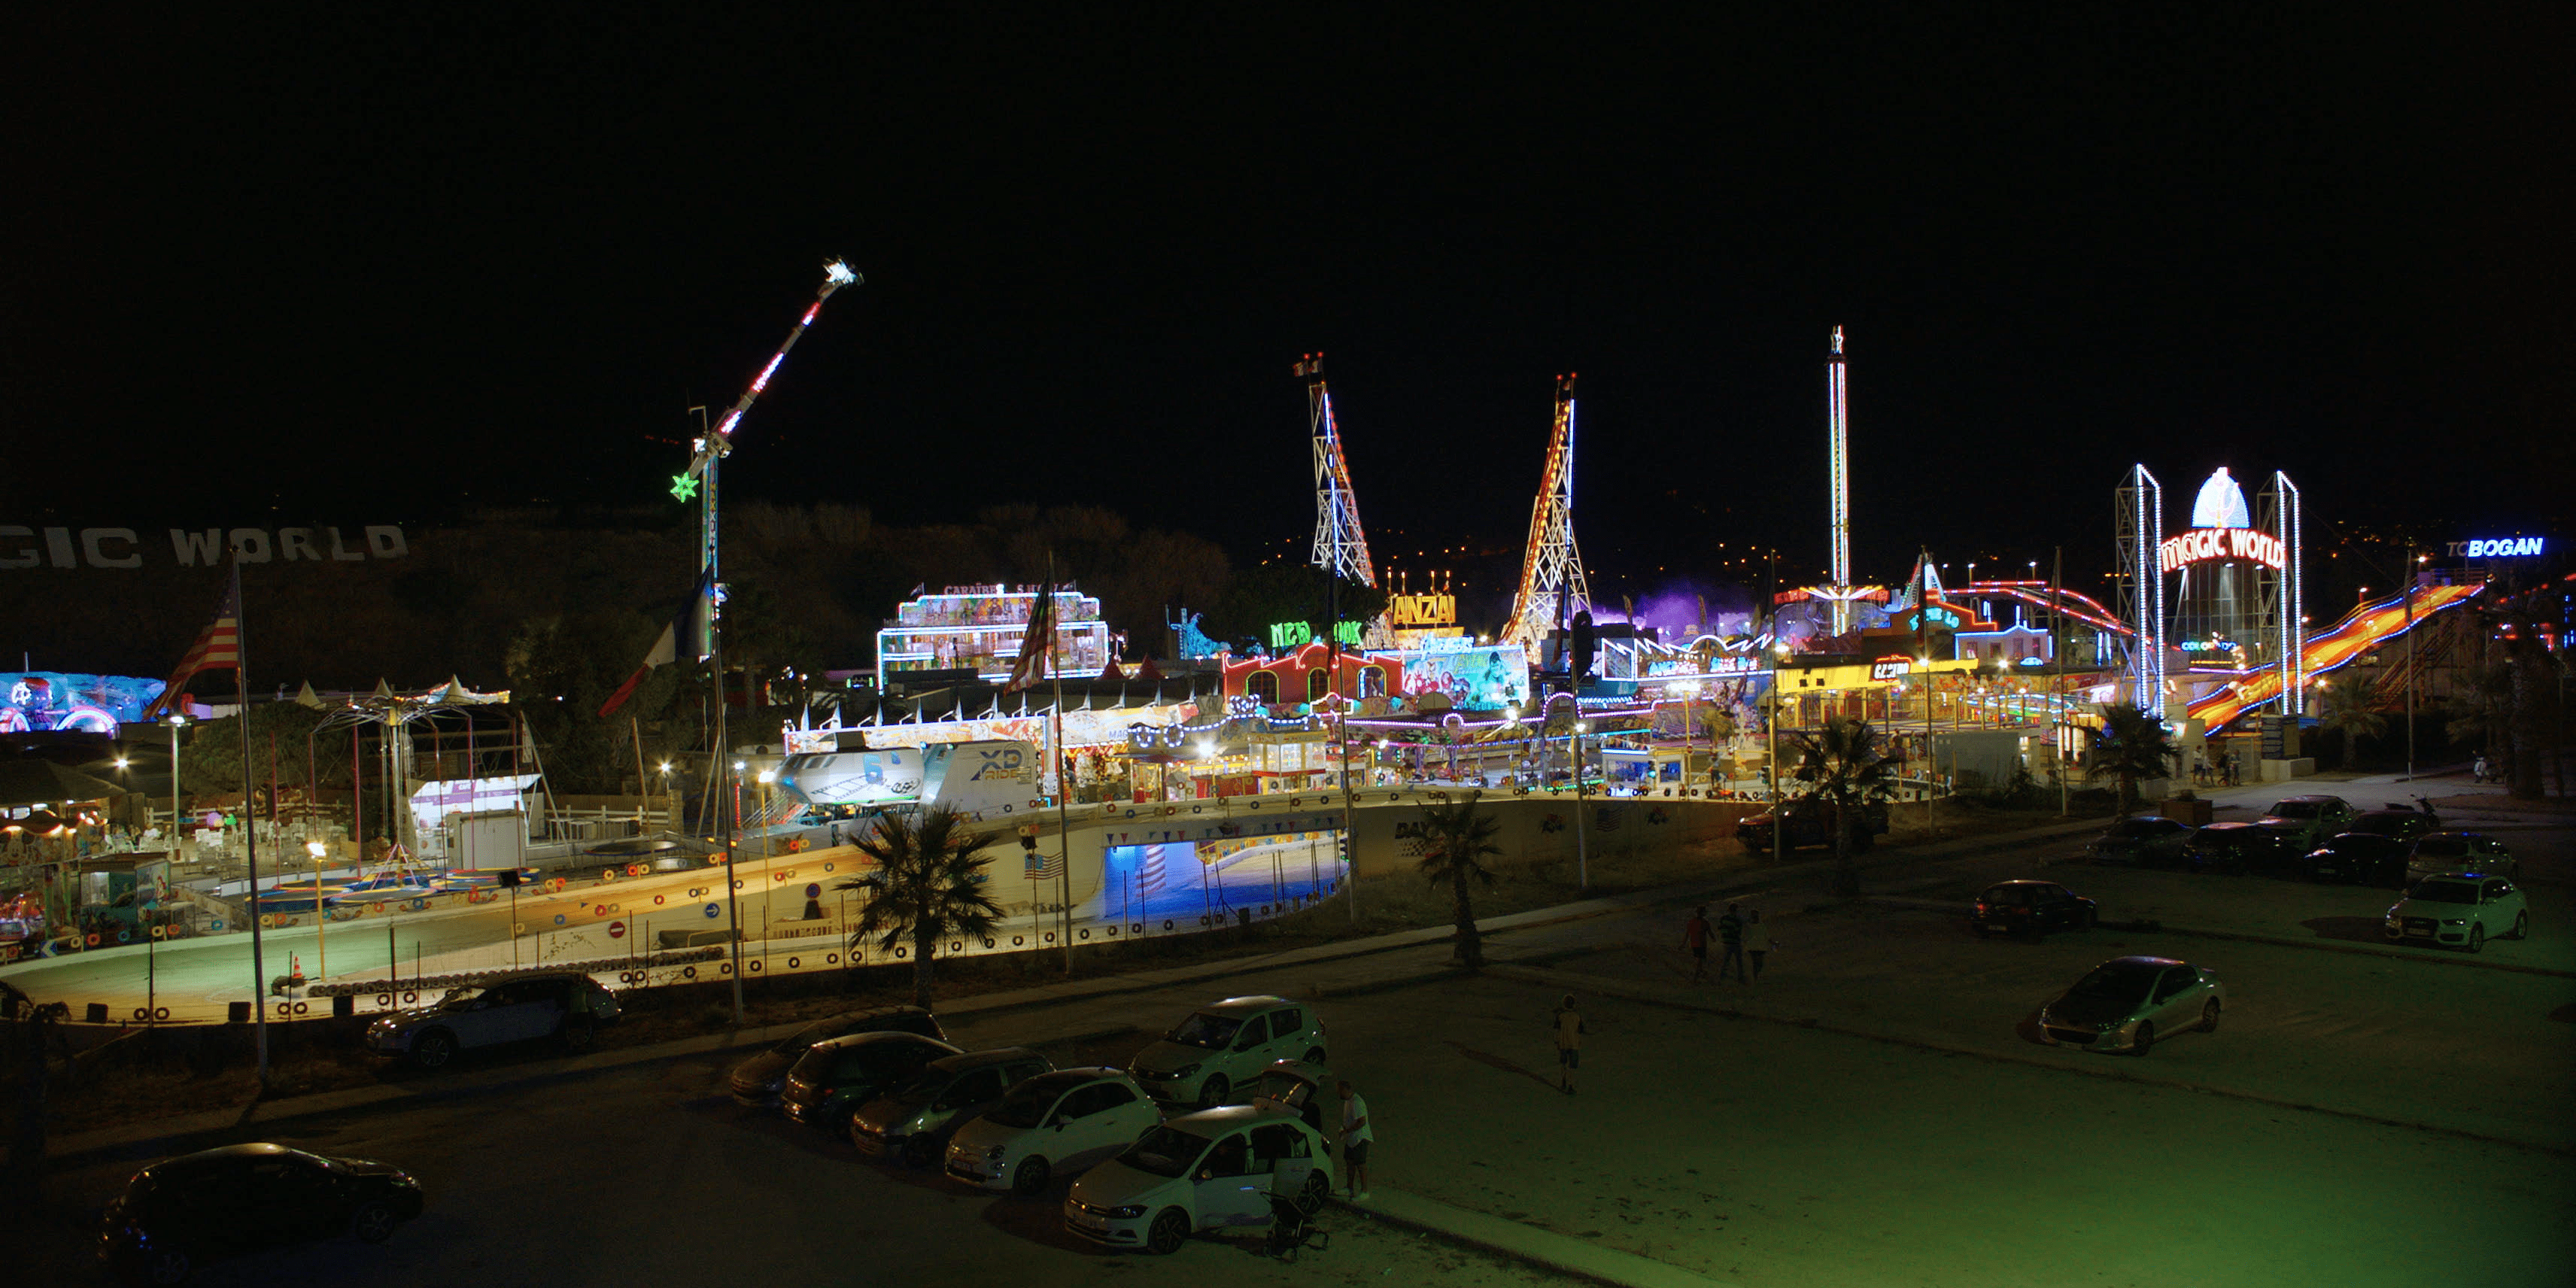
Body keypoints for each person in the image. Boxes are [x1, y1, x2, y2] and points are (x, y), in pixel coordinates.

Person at [1336, 1080, 1372, 1199]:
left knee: (1361, 1164)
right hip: (1352, 1138)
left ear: (1346, 1090)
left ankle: (1364, 1191)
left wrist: (1347, 1131)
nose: (1339, 1093)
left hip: (1360, 1138)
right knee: (1350, 1163)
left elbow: (1362, 1121)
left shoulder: (1357, 1102)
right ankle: (1349, 1188)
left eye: (1340, 1090)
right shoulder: (1349, 1101)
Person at [1552, 994, 1587, 1095]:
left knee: (1563, 1064)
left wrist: (1557, 1041)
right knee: (1572, 1066)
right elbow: (1580, 1030)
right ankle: (1570, 1085)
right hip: (1574, 1043)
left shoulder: (1561, 1016)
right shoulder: (1577, 1016)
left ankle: (1563, 1082)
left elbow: (1557, 1030)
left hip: (1563, 1043)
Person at [1716, 902, 1748, 983]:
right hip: (1735, 942)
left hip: (1726, 942)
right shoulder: (1737, 920)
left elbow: (1720, 928)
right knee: (1739, 961)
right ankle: (1740, 978)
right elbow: (1738, 931)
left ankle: (1721, 977)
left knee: (1726, 961)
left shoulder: (1724, 918)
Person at [1682, 905, 1712, 982]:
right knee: (1700, 959)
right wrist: (1713, 938)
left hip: (1694, 943)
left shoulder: (1691, 922)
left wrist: (1684, 943)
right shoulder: (1705, 922)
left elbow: (1687, 933)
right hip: (1702, 944)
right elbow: (1709, 932)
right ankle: (1696, 977)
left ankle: (1700, 971)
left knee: (1698, 958)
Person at [1742, 908, 1773, 981]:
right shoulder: (1749, 926)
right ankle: (1755, 976)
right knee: (1756, 963)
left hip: (1760, 947)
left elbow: (1766, 935)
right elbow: (1745, 936)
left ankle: (1756, 975)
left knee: (1759, 963)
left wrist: (1772, 942)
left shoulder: (1761, 925)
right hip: (1753, 948)